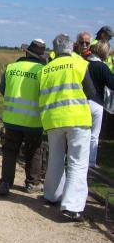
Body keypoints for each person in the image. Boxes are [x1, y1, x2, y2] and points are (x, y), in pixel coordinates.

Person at [39, 34, 96, 222]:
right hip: (77, 118)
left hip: (53, 119)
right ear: (71, 48)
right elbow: (90, 92)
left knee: (55, 158)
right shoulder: (80, 64)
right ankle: (71, 206)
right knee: (77, 162)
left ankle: (51, 195)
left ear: (54, 49)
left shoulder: (46, 69)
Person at [0, 39, 46, 196]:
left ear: (26, 52)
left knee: (10, 150)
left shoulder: (12, 67)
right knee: (34, 151)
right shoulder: (43, 70)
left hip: (11, 118)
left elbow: (3, 89)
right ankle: (32, 183)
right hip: (34, 120)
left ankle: (6, 182)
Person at [79, 40, 114, 168]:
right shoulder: (102, 67)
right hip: (96, 103)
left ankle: (77, 158)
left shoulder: (83, 63)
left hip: (80, 102)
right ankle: (91, 162)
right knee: (94, 135)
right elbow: (112, 84)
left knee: (79, 133)